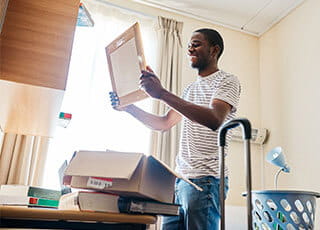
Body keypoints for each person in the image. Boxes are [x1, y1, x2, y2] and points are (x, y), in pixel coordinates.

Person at [110, 28, 241, 230]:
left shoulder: (227, 81)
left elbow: (215, 119)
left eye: (196, 44)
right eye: (189, 45)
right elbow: (164, 124)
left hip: (206, 182)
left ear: (214, 50)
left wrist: (161, 93)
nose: (190, 49)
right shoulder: (189, 90)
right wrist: (129, 108)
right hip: (179, 181)